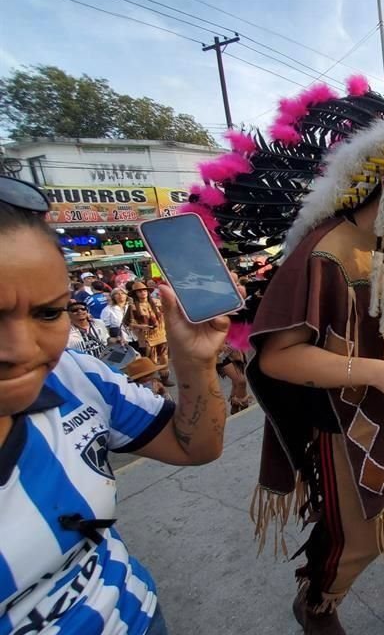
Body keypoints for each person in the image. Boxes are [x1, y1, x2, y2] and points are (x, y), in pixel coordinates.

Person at [183, 77, 384, 633]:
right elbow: (277, 359)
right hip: (348, 421)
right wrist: (375, 372)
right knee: (355, 538)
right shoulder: (324, 254)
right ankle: (317, 606)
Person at [0, 176, 228, 635]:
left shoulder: (78, 376)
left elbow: (194, 447)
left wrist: (196, 363)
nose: (21, 348)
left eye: (48, 313)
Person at [124, 281, 172, 386]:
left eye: (144, 290)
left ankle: (165, 378)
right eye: (139, 291)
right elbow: (129, 323)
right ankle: (152, 382)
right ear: (135, 294)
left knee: (164, 356)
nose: (143, 293)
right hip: (147, 337)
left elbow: (167, 314)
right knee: (152, 360)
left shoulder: (156, 302)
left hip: (161, 334)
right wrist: (142, 326)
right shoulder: (133, 307)